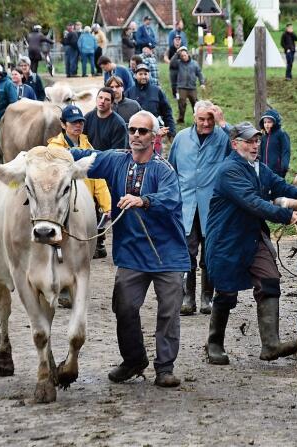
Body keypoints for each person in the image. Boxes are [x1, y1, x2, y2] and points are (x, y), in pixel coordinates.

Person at [69, 111, 190, 387]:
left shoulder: (164, 169)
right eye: (132, 129)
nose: (136, 135)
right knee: (123, 307)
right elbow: (84, 156)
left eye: (143, 131)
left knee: (169, 312)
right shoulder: (115, 160)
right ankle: (134, 360)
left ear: (155, 136)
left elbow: (172, 199)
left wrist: (143, 201)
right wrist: (51, 152)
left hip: (167, 255)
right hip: (131, 254)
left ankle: (165, 368)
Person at [204, 122, 297, 365]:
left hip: (253, 236)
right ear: (235, 144)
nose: (255, 145)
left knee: (269, 279)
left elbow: (282, 186)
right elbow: (252, 202)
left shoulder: (259, 168)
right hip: (226, 238)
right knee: (226, 292)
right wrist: (287, 215)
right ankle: (214, 344)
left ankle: (270, 345)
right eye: (249, 141)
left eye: (257, 141)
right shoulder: (229, 171)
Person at [168, 101, 231, 316]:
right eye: (201, 119)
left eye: (210, 119)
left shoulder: (223, 138)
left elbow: (240, 151)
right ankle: (187, 297)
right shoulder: (181, 138)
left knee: (210, 252)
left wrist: (224, 124)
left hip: (212, 205)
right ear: (194, 117)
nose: (206, 123)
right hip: (185, 205)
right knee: (187, 251)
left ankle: (207, 297)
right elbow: (171, 169)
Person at [47, 105, 112, 260]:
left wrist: (107, 206)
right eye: (73, 122)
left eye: (80, 122)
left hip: (86, 204)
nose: (78, 125)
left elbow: (98, 179)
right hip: (64, 203)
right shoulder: (53, 148)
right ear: (63, 124)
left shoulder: (87, 145)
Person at [125, 64, 175, 139]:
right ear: (135, 75)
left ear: (149, 75)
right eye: (140, 74)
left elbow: (167, 111)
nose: (143, 76)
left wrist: (171, 130)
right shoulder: (129, 92)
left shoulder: (157, 91)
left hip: (154, 132)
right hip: (135, 133)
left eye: (145, 74)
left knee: (155, 150)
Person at [174, 47, 205, 124]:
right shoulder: (178, 63)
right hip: (181, 87)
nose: (183, 57)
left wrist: (202, 83)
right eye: (182, 56)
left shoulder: (194, 63)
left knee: (195, 104)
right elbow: (172, 62)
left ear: (188, 54)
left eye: (185, 55)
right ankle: (181, 119)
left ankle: (198, 119)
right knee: (181, 103)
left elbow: (200, 74)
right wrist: (177, 53)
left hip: (192, 87)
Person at [258, 109, 290, 179]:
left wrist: (284, 168)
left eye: (269, 122)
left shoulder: (281, 134)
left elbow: (286, 151)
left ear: (275, 122)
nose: (266, 125)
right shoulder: (264, 137)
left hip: (277, 172)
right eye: (265, 122)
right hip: (265, 172)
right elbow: (262, 154)